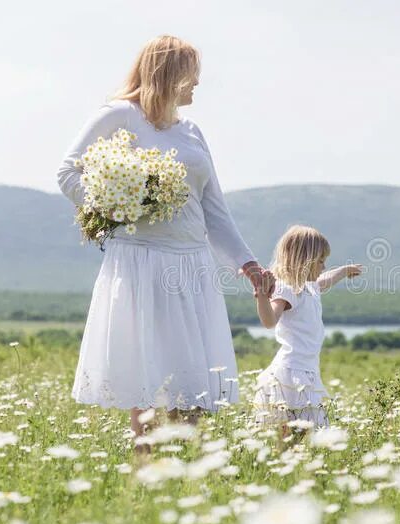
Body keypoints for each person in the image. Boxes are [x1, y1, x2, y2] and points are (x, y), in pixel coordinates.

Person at [55, 35, 274, 453]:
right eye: (192, 74)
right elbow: (68, 172)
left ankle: (181, 481)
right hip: (143, 263)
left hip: (192, 266)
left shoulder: (192, 131)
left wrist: (247, 265)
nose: (197, 84)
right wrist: (121, 207)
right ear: (169, 73)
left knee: (193, 387)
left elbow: (215, 210)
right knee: (152, 384)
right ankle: (147, 476)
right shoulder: (120, 115)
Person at [252, 225, 363, 437]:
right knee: (293, 433)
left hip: (307, 370)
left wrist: (343, 271)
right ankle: (283, 464)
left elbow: (325, 280)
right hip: (292, 372)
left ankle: (287, 464)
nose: (323, 266)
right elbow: (269, 321)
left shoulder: (309, 287)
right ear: (304, 261)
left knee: (300, 434)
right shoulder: (287, 290)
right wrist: (262, 296)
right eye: (320, 261)